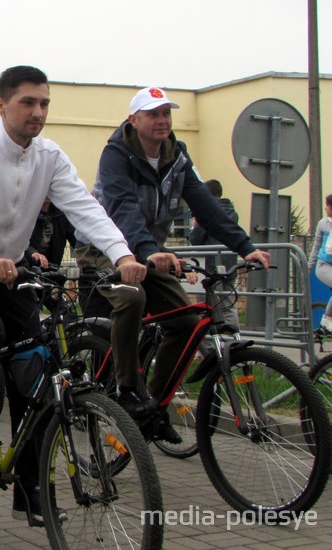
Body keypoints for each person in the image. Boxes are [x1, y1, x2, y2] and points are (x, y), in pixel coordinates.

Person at [0, 66, 144, 523]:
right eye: (28, 102)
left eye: (45, 103)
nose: (39, 112)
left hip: (10, 271)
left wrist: (121, 254)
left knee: (35, 377)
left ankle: (30, 495)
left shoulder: (50, 156)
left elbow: (84, 207)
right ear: (1, 105)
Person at [74, 86, 270, 441]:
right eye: (153, 114)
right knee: (132, 298)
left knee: (188, 322)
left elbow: (204, 206)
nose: (162, 120)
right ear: (134, 120)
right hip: (104, 249)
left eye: (166, 113)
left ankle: (153, 405)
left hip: (149, 251)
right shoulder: (116, 155)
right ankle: (127, 389)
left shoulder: (176, 157)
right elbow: (122, 207)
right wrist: (148, 250)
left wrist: (246, 247)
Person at [189, 179, 242, 338]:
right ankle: (235, 340)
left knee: (206, 303)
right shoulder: (232, 212)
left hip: (210, 265)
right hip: (230, 263)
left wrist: (194, 225)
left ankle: (204, 345)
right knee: (228, 303)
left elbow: (196, 239)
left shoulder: (206, 210)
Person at [24, 197, 75, 269]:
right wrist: (32, 252)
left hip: (53, 270)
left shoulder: (62, 214)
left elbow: (76, 240)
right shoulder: (24, 214)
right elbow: (16, 241)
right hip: (27, 269)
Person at [308, 194, 332, 331]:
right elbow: (315, 248)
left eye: (327, 206)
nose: (325, 208)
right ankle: (326, 318)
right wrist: (308, 268)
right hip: (324, 266)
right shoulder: (323, 224)